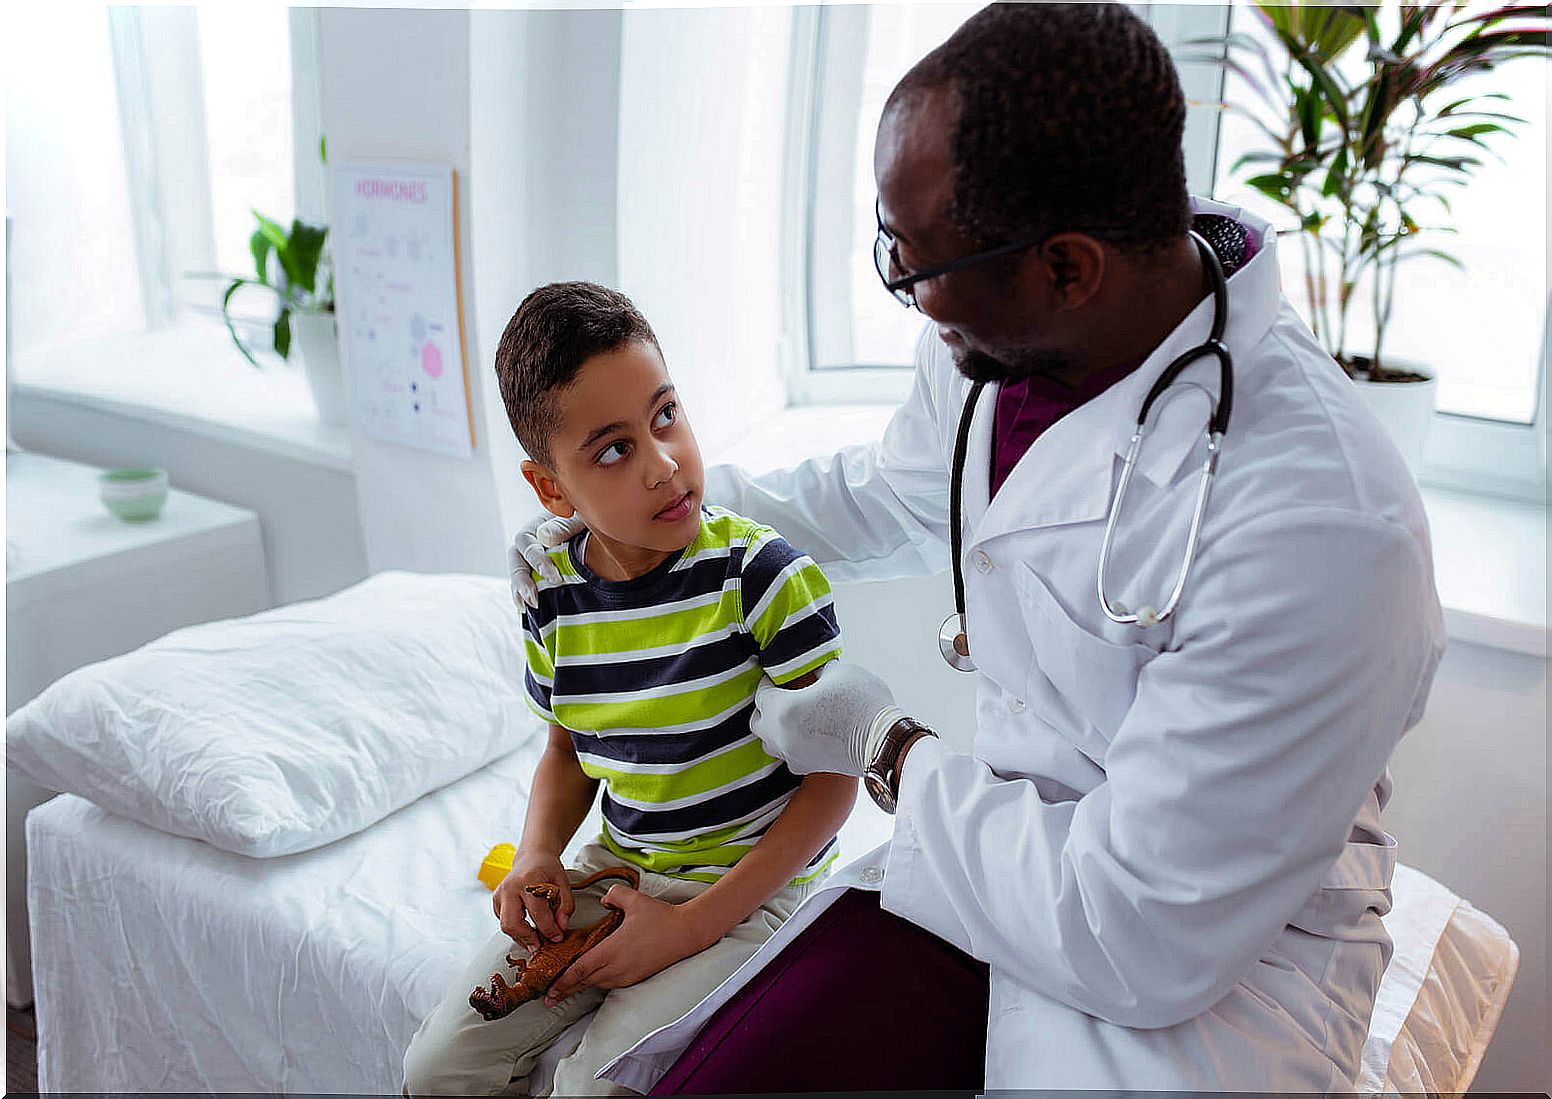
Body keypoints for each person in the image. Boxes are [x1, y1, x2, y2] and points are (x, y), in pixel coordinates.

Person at [511, 4, 1445, 1092]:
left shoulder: (1326, 526)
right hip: (991, 852)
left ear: (1065, 266)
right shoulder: (993, 352)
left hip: (1209, 963)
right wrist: (647, 517)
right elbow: (882, 491)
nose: (908, 292)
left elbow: (1135, 930)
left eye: (920, 266)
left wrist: (883, 745)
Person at [404, 282, 855, 1096]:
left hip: (747, 890)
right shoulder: (551, 594)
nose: (663, 463)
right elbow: (566, 747)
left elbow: (834, 784)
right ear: (550, 488)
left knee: (595, 1086)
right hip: (616, 867)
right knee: (438, 1067)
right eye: (613, 449)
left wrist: (687, 927)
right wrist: (539, 852)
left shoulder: (764, 577)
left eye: (665, 415)